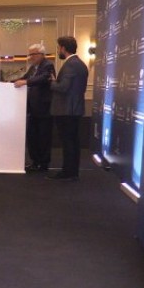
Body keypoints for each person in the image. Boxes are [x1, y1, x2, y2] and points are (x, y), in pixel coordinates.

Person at [48, 36, 89, 181]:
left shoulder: (71, 64)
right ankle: (72, 172)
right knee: (73, 142)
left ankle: (68, 172)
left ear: (63, 48)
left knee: (68, 142)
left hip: (66, 110)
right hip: (74, 109)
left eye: (59, 47)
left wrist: (52, 82)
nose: (58, 50)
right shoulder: (81, 64)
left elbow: (63, 87)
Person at [14, 43, 55, 172]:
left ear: (41, 54)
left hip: (44, 109)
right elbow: (24, 78)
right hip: (32, 109)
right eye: (29, 54)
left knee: (43, 138)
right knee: (32, 137)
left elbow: (42, 79)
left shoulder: (48, 65)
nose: (30, 57)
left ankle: (43, 164)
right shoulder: (32, 68)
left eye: (33, 54)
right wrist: (10, 83)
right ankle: (35, 161)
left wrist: (25, 82)